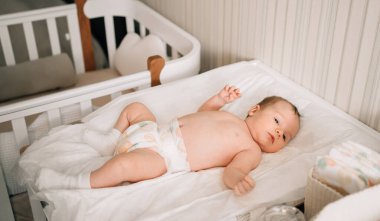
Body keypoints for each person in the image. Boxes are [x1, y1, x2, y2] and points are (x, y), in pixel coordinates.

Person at [36, 85, 301, 196]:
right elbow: (203, 115)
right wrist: (218, 100)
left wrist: (237, 181)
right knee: (135, 106)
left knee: (123, 167)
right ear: (254, 110)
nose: (279, 133)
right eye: (277, 122)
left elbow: (235, 170)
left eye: (285, 136)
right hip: (156, 130)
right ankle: (111, 138)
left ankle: (71, 181)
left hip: (163, 157)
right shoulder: (231, 117)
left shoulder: (251, 149)